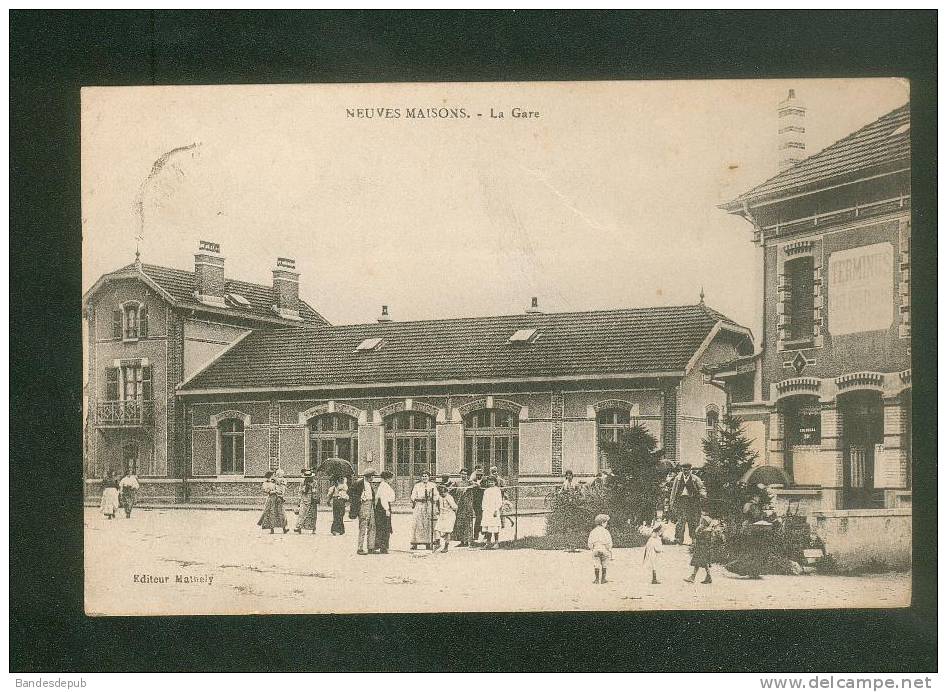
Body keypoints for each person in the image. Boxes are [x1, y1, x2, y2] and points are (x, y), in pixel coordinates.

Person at [670, 463, 706, 544]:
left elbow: (701, 488)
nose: (685, 471)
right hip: (681, 501)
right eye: (683, 469)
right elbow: (673, 491)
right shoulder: (678, 478)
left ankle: (694, 538)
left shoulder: (695, 478)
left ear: (690, 470)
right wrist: (672, 502)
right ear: (681, 469)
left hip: (692, 502)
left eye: (687, 470)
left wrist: (703, 495)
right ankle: (679, 538)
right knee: (680, 521)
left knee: (692, 520)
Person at [349, 468, 377, 555]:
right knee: (363, 527)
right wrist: (359, 498)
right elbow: (350, 492)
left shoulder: (369, 484)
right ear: (368, 477)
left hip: (371, 506)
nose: (373, 478)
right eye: (372, 476)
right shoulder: (359, 483)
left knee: (372, 526)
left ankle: (371, 547)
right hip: (363, 506)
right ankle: (360, 548)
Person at [684, 510, 715, 584]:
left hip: (702, 549)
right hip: (702, 548)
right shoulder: (706, 530)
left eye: (702, 521)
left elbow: (700, 538)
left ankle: (693, 577)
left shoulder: (706, 531)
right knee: (703, 563)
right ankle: (707, 576)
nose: (701, 522)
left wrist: (699, 531)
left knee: (699, 563)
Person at [410, 471, 438, 550]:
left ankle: (428, 543)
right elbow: (413, 496)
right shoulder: (417, 486)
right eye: (423, 476)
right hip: (419, 506)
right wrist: (417, 499)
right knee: (418, 524)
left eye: (426, 476)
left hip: (428, 506)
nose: (424, 478)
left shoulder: (433, 485)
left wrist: (432, 498)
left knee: (428, 524)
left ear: (429, 477)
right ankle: (415, 543)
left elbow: (436, 495)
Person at [373, 471, 396, 553]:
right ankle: (383, 547)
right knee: (385, 527)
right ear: (388, 478)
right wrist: (386, 509)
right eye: (391, 478)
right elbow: (383, 499)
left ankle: (379, 545)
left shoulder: (383, 485)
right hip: (383, 507)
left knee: (381, 527)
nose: (392, 480)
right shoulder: (384, 486)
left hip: (381, 507)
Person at [451, 474, 476, 547]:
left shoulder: (469, 482)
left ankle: (468, 541)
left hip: (467, 505)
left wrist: (468, 487)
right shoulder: (457, 483)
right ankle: (462, 541)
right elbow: (451, 488)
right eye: (462, 474)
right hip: (460, 505)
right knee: (460, 523)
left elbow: (477, 485)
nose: (464, 475)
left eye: (465, 474)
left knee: (468, 523)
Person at [588, 514, 613, 584]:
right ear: (602, 523)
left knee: (596, 563)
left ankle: (596, 579)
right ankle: (603, 579)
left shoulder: (593, 531)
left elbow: (589, 543)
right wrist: (609, 549)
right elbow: (609, 543)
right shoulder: (606, 532)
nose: (606, 524)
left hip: (596, 549)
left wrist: (592, 548)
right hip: (604, 549)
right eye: (606, 522)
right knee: (604, 564)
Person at [480, 476, 503, 549]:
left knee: (494, 526)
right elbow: (484, 501)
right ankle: (488, 543)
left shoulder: (497, 490)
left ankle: (496, 543)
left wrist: (496, 510)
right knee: (488, 527)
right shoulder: (486, 491)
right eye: (489, 482)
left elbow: (499, 501)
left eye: (492, 482)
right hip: (487, 511)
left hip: (494, 511)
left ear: (495, 482)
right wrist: (483, 510)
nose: (491, 483)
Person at [434, 484, 458, 552]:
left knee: (447, 531)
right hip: (442, 515)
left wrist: (452, 513)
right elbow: (436, 503)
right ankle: (438, 543)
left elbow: (455, 507)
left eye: (443, 492)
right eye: (440, 493)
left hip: (449, 515)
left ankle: (446, 547)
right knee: (437, 529)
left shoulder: (449, 497)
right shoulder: (440, 497)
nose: (442, 494)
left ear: (446, 492)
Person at [294, 469, 319, 534]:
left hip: (312, 500)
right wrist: (299, 500)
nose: (308, 479)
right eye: (306, 478)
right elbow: (300, 492)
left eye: (309, 478)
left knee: (312, 515)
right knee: (302, 513)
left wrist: (313, 490)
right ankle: (299, 527)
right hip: (304, 499)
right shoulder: (303, 482)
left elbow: (316, 491)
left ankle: (313, 528)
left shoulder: (314, 482)